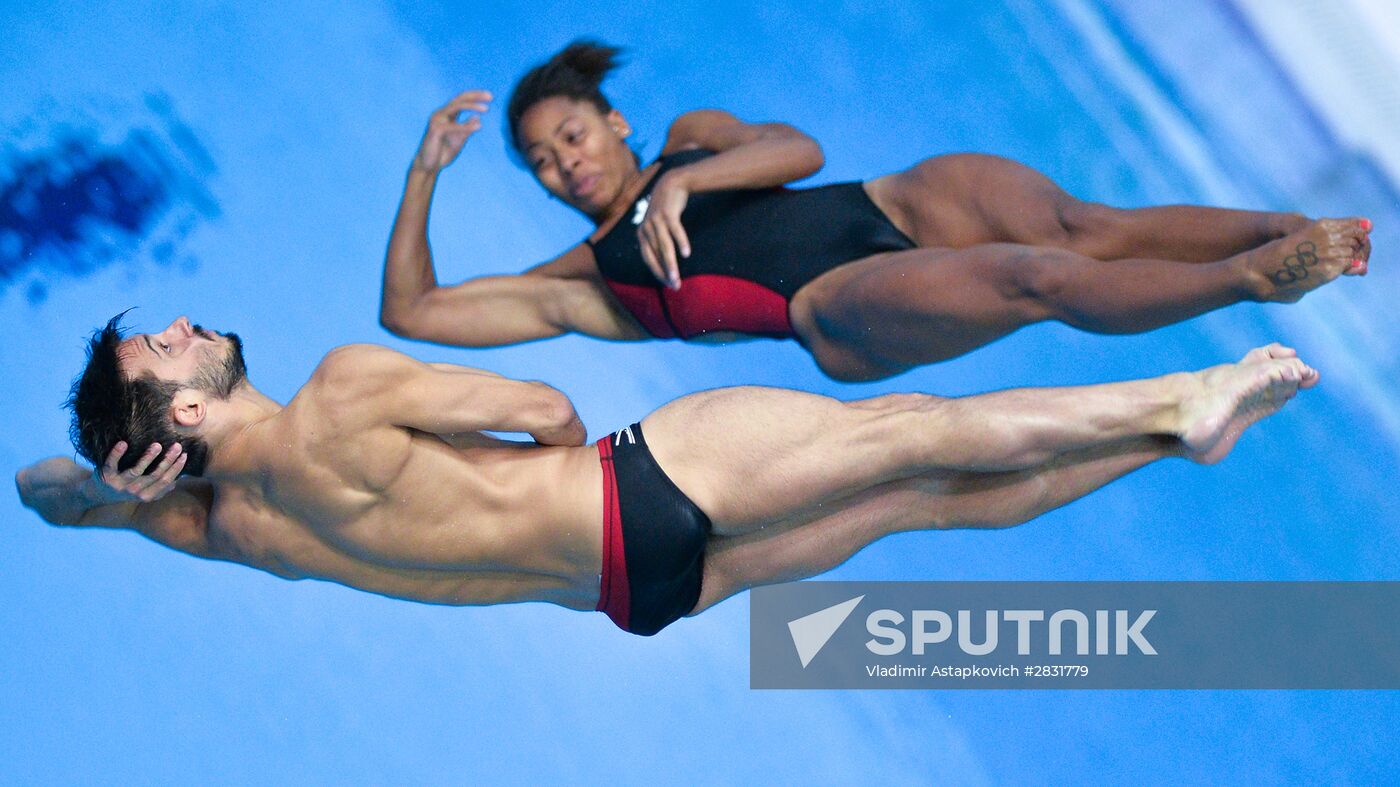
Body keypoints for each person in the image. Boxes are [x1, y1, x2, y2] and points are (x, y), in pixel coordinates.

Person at [18, 314, 1315, 635]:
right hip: (638, 488)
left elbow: (50, 491)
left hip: (633, 595)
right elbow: (547, 403)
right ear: (185, 402)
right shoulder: (345, 390)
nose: (183, 321)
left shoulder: (237, 528)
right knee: (921, 428)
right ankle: (1173, 398)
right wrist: (542, 465)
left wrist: (123, 489)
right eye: (166, 343)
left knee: (928, 500)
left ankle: (1179, 433)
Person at [379, 41, 1373, 382]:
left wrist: (682, 182)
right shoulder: (591, 280)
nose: (563, 164)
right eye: (541, 163)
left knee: (1084, 230)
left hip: (894, 200)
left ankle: (1276, 230)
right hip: (841, 304)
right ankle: (1246, 281)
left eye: (573, 137)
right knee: (1039, 278)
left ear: (616, 121)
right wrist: (425, 172)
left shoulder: (690, 135)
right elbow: (414, 314)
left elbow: (797, 152)